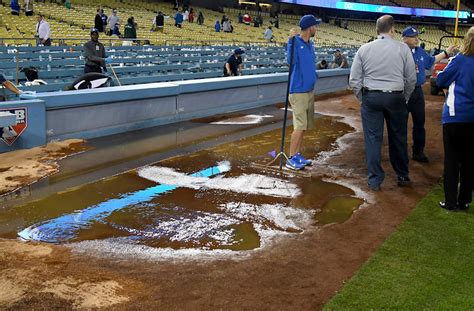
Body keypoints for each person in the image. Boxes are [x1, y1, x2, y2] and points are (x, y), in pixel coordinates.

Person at [349, 15, 416, 191]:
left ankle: (374, 180)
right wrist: (405, 97)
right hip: (396, 97)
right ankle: (402, 175)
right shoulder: (403, 48)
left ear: (377, 30)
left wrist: (364, 99)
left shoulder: (364, 48)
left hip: (372, 97)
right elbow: (411, 78)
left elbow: (354, 80)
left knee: (372, 139)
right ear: (392, 29)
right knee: (398, 138)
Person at [402, 26, 456, 163]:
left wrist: (446, 52)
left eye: (417, 36)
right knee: (400, 123)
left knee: (419, 122)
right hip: (402, 91)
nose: (417, 39)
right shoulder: (399, 51)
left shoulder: (419, 51)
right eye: (413, 37)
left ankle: (418, 151)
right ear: (405, 39)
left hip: (417, 91)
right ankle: (400, 152)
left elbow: (431, 61)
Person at [436, 26, 474, 211]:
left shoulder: (459, 60)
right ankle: (464, 200)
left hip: (456, 116)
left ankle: (451, 202)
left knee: (452, 161)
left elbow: (441, 81)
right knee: (469, 161)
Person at [285, 15, 320, 170]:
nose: (316, 28)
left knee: (304, 126)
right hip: (298, 91)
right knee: (299, 126)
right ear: (309, 27)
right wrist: (290, 41)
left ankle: (297, 154)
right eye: (315, 26)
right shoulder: (295, 42)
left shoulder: (310, 44)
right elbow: (290, 62)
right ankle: (291, 158)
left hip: (309, 90)